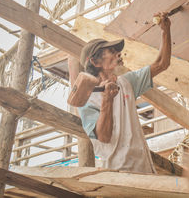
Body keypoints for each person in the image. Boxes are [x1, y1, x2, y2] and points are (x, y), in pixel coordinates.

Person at [68, 12, 171, 173]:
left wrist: (165, 31)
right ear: (95, 61)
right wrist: (107, 100)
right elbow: (104, 137)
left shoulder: (126, 82)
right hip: (119, 173)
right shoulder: (87, 99)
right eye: (111, 51)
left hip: (145, 168)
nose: (117, 53)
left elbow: (161, 64)